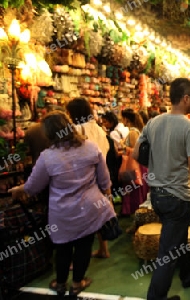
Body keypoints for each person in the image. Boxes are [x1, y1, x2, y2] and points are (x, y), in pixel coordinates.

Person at [8, 111, 115, 297]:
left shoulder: (48, 157)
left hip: (62, 213)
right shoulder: (90, 147)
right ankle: (77, 283)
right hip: (90, 209)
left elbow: (33, 187)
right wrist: (108, 195)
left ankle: (59, 283)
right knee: (83, 246)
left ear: (48, 133)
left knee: (62, 247)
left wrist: (19, 189)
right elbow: (105, 181)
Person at [132, 78, 190, 300]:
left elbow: (137, 154)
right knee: (167, 253)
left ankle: (187, 273)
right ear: (186, 98)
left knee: (177, 237)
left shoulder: (153, 123)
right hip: (178, 198)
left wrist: (160, 164)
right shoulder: (189, 126)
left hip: (157, 195)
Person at [66, 98, 111, 259]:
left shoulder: (76, 129)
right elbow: (106, 148)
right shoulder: (99, 129)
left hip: (84, 177)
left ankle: (75, 259)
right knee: (99, 213)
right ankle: (104, 249)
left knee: (79, 217)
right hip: (102, 174)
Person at [120, 108, 148, 217]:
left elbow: (135, 149)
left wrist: (123, 147)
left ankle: (135, 212)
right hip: (138, 165)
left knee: (133, 188)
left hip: (134, 166)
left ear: (126, 119)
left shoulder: (132, 132)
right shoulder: (136, 131)